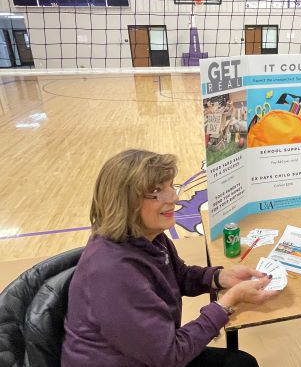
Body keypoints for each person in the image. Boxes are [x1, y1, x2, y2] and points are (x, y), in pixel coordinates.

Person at [61, 149, 279, 367]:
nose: (174, 198)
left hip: (148, 352)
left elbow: (179, 275)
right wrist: (226, 303)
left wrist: (219, 277)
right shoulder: (113, 273)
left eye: (170, 187)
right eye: (157, 191)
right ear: (125, 202)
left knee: (241, 363)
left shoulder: (148, 236)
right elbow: (169, 357)